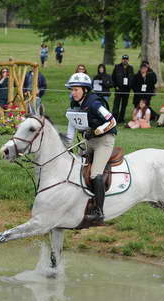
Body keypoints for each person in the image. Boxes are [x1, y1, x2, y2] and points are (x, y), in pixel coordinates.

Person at [64, 72, 117, 225]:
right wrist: (67, 147)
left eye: (76, 89)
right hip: (90, 142)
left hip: (104, 141)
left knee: (95, 174)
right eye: (71, 90)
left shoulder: (95, 104)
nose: (73, 93)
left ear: (85, 90)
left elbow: (112, 121)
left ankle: (99, 212)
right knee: (75, 168)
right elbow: (71, 128)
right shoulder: (74, 105)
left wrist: (97, 130)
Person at [112, 54, 134, 123]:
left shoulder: (130, 68)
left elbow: (132, 78)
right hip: (119, 89)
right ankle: (114, 118)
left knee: (124, 105)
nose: (125, 60)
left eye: (126, 59)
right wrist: (115, 86)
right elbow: (113, 78)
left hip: (126, 89)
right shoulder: (117, 67)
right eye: (124, 59)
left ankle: (121, 119)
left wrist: (130, 87)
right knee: (116, 105)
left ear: (128, 60)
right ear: (122, 60)